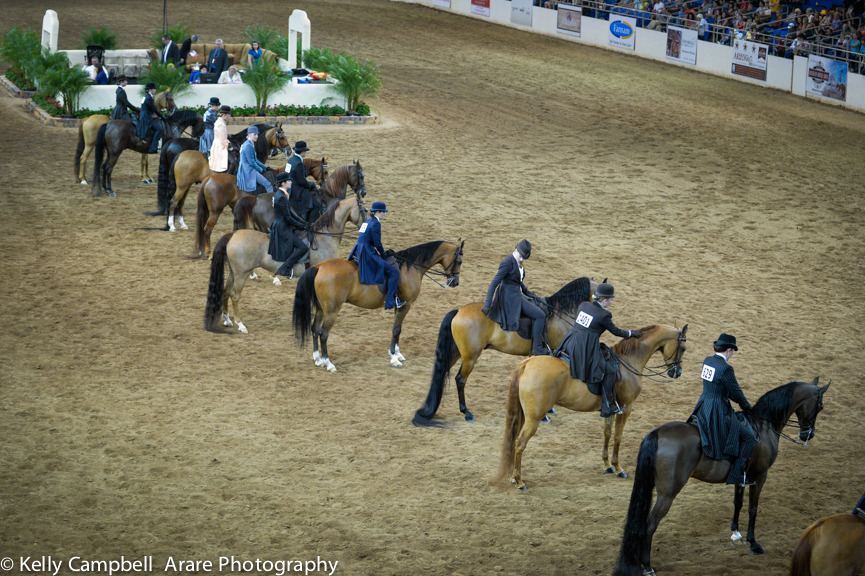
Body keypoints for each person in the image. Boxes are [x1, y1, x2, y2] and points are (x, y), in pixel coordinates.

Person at [554, 282, 642, 417]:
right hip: (585, 347)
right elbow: (617, 332)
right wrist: (632, 333)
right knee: (610, 370)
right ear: (605, 300)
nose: (611, 302)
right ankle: (606, 406)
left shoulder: (583, 305)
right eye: (611, 299)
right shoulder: (604, 315)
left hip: (570, 342)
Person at [690, 333, 756, 486]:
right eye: (732, 352)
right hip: (717, 410)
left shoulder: (708, 360)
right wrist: (747, 407)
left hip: (703, 406)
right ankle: (737, 476)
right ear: (729, 350)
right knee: (749, 438)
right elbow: (736, 392)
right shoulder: (726, 369)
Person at [481, 240, 548, 356]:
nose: (522, 260)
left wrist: (528, 292)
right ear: (516, 249)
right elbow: (494, 283)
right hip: (510, 298)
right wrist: (487, 303)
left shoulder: (518, 262)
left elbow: (517, 281)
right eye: (521, 256)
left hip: (518, 293)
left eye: (524, 258)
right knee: (540, 315)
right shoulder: (507, 263)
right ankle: (538, 349)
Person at [348, 202, 404, 310]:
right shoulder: (376, 224)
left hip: (358, 250)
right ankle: (391, 300)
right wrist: (383, 254)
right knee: (394, 272)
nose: (384, 215)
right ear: (377, 212)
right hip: (367, 252)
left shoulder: (367, 222)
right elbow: (377, 243)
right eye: (383, 212)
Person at [269, 172, 310, 281]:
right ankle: (285, 269)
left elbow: (290, 214)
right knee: (303, 247)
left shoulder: (282, 194)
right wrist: (302, 226)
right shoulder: (282, 197)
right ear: (283, 183)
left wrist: (303, 223)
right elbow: (288, 218)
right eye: (289, 181)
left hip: (282, 224)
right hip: (282, 228)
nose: (291, 182)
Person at [285, 141, 321, 227]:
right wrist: (311, 185)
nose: (305, 152)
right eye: (305, 151)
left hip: (287, 187)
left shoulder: (291, 160)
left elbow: (286, 173)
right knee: (316, 205)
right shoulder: (299, 163)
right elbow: (302, 181)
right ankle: (311, 225)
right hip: (296, 190)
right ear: (303, 152)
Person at [236, 126, 272, 194]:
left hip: (247, 167)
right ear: (249, 135)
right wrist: (260, 169)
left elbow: (255, 160)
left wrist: (265, 167)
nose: (256, 136)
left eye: (257, 134)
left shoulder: (249, 144)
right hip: (248, 170)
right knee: (268, 184)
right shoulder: (248, 146)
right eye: (254, 134)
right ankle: (271, 200)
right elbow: (251, 162)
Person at [135, 82, 166, 154]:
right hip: (147, 117)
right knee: (159, 129)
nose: (155, 90)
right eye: (154, 89)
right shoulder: (149, 98)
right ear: (150, 90)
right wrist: (162, 116)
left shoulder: (146, 96)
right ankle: (153, 148)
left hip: (144, 115)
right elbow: (154, 109)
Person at [209, 105, 231, 173]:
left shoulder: (220, 121)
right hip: (220, 145)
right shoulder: (221, 124)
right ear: (224, 114)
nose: (229, 116)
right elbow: (222, 139)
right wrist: (228, 146)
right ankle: (226, 174)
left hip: (218, 142)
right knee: (232, 161)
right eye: (228, 114)